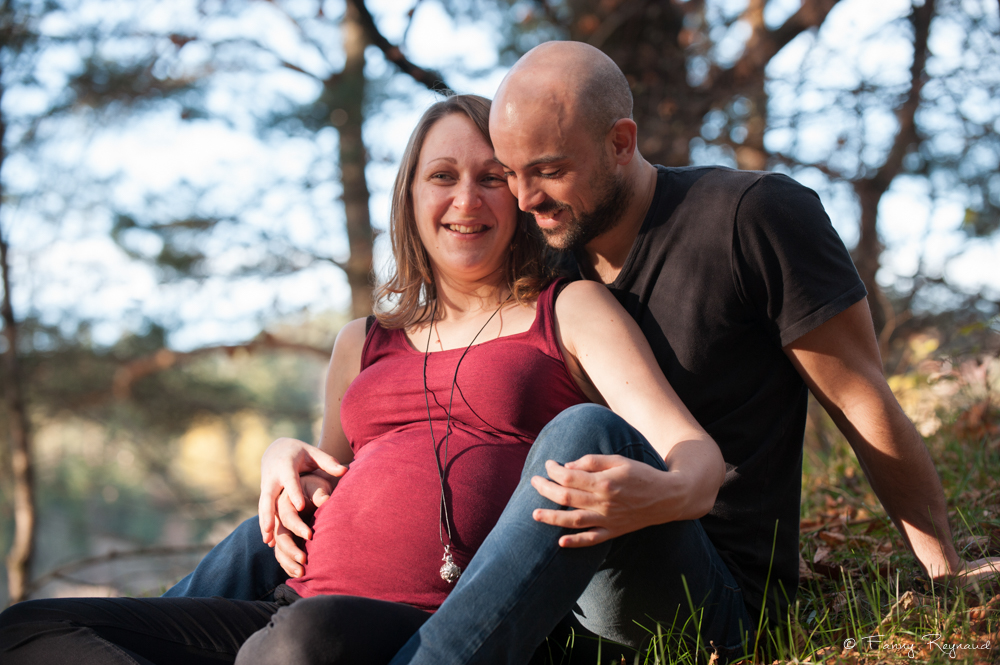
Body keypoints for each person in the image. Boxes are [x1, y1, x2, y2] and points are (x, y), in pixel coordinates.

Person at [210, 41, 1000, 664]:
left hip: (695, 578)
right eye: (511, 175)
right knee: (291, 523)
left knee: (583, 433)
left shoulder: (749, 218)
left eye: (547, 172)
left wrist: (943, 567)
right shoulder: (549, 259)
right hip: (533, 586)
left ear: (621, 143)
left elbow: (861, 398)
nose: (522, 200)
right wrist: (293, 452)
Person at [0, 95, 732, 664]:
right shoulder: (362, 340)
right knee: (31, 627)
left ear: (517, 196)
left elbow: (692, 455)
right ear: (410, 197)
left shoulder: (567, 310)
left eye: (491, 178)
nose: (466, 200)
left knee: (298, 643)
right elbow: (333, 483)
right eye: (442, 176)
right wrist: (280, 454)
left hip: (429, 621)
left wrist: (661, 491)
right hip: (294, 607)